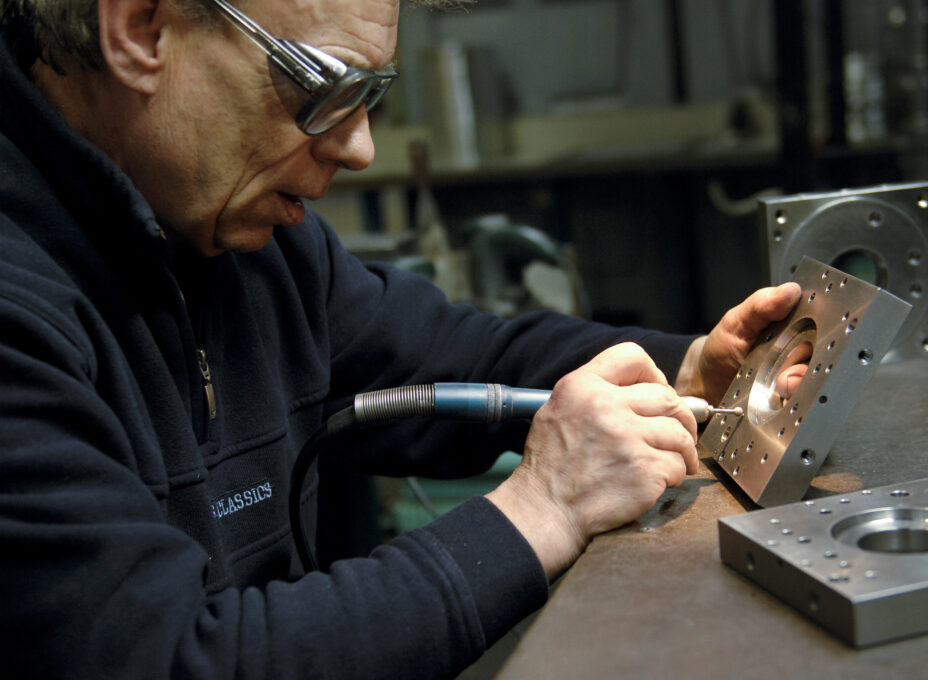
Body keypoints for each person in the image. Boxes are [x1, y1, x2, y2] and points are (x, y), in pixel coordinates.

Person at [0, 0, 803, 677]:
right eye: (321, 86)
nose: (359, 147)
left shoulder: (246, 244)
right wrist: (544, 509)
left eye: (371, 93)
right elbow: (174, 659)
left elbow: (456, 355)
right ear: (140, 30)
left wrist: (687, 371)